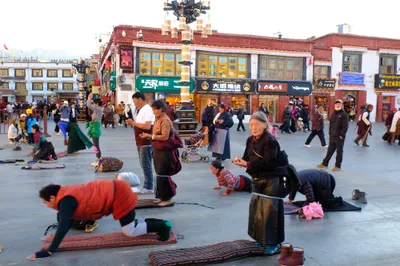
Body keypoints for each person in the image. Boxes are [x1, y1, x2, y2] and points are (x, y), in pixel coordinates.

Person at [27, 180, 172, 260]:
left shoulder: (65, 201)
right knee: (130, 223)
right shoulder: (65, 194)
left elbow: (64, 226)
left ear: (52, 197)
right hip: (117, 188)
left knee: (129, 231)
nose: (47, 206)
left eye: (46, 203)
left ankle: (163, 227)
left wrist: (49, 251)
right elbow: (65, 219)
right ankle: (158, 223)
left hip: (119, 194)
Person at [232, 111, 295, 255]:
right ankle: (261, 239)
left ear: (265, 125)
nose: (253, 128)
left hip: (272, 180)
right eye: (251, 125)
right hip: (257, 179)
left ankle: (274, 244)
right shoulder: (250, 140)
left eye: (257, 125)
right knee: (257, 212)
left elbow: (269, 164)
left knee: (270, 214)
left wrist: (247, 165)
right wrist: (240, 161)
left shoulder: (270, 141)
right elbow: (247, 157)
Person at [139, 100, 180, 206]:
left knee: (163, 173)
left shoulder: (165, 120)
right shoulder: (158, 119)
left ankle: (166, 199)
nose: (153, 112)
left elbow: (164, 137)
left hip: (165, 151)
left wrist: (149, 136)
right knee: (159, 173)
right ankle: (160, 196)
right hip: (158, 149)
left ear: (160, 109)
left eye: (154, 110)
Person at [126, 92, 155, 194]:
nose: (134, 104)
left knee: (146, 164)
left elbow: (147, 126)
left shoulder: (147, 109)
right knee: (143, 163)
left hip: (146, 141)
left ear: (140, 99)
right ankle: (148, 184)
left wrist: (133, 123)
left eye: (135, 102)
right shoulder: (140, 110)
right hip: (140, 140)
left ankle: (149, 186)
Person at [317, 100, 349, 171]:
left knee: (339, 151)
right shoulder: (333, 113)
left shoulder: (344, 114)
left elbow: (345, 126)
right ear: (334, 105)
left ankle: (337, 166)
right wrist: (330, 133)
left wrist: (341, 134)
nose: (338, 105)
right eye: (336, 104)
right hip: (332, 135)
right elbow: (331, 124)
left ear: (342, 105)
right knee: (330, 151)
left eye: (339, 104)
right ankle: (325, 163)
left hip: (339, 136)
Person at [86, 94, 103, 166]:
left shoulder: (98, 109)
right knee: (96, 145)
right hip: (95, 127)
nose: (94, 105)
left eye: (95, 103)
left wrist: (89, 98)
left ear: (97, 104)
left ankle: (98, 160)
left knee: (96, 145)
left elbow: (89, 105)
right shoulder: (98, 109)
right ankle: (98, 159)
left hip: (95, 128)